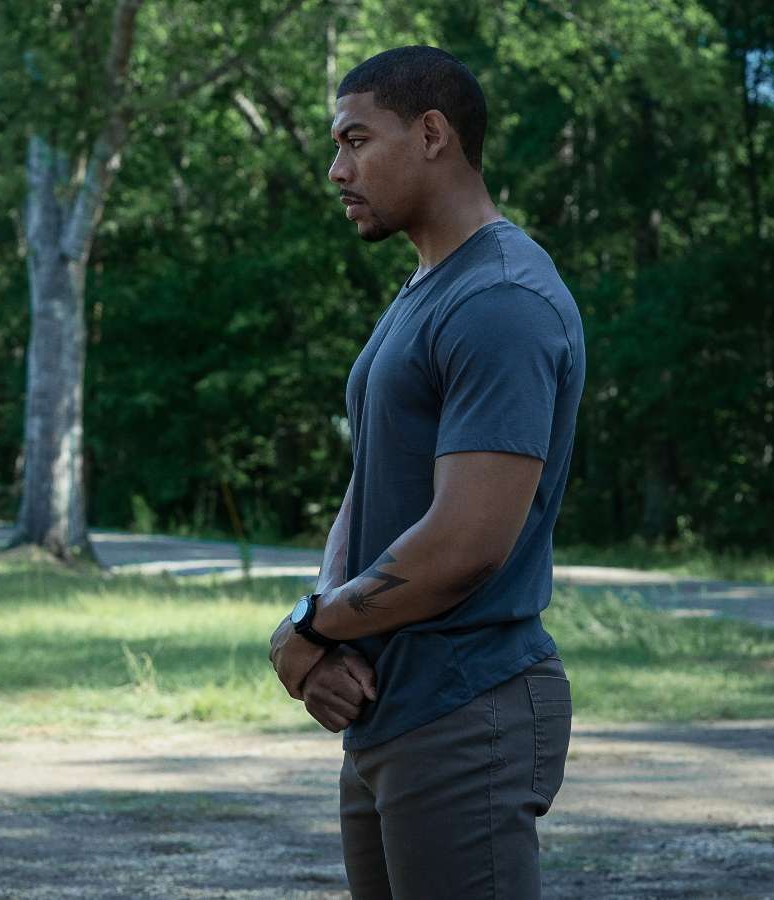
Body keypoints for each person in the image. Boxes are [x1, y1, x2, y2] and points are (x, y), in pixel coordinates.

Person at [268, 47, 586, 899]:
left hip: (465, 710)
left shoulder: (502, 300)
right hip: (392, 712)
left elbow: (466, 543)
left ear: (434, 133)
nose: (338, 169)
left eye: (355, 140)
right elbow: (369, 483)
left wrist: (309, 628)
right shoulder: (430, 286)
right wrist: (319, 628)